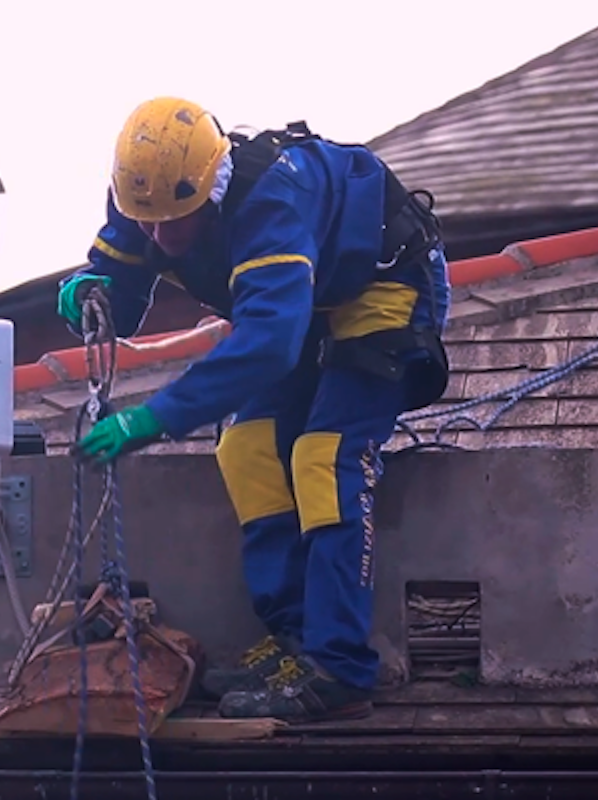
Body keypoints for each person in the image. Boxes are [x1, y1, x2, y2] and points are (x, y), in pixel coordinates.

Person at [57, 96, 451, 723]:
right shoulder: (149, 195)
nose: (159, 236)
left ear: (209, 190)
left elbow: (268, 342)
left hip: (382, 287)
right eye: (146, 219)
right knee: (248, 449)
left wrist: (155, 417)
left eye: (173, 221)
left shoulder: (271, 204)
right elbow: (125, 283)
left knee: (325, 455)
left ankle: (340, 668)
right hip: (303, 303)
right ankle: (296, 642)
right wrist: (93, 290)